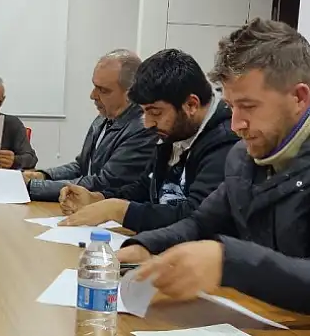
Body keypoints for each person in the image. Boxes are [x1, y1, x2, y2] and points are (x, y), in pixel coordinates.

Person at [117, 19, 310, 314]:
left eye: (249, 106)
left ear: (299, 97)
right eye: (231, 107)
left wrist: (229, 261)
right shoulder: (242, 158)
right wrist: (145, 246)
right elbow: (200, 223)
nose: (236, 125)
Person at [60, 49, 239, 232]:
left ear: (191, 105)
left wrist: (118, 211)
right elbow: (145, 187)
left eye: (155, 113)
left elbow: (196, 217)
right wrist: (98, 199)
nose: (147, 124)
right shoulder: (175, 128)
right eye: (144, 112)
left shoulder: (227, 142)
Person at [23, 50, 157, 201]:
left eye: (103, 90)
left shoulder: (143, 129)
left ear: (131, 93)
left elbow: (104, 183)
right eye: (94, 86)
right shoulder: (103, 117)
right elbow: (81, 166)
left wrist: (32, 187)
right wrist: (43, 175)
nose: (92, 95)